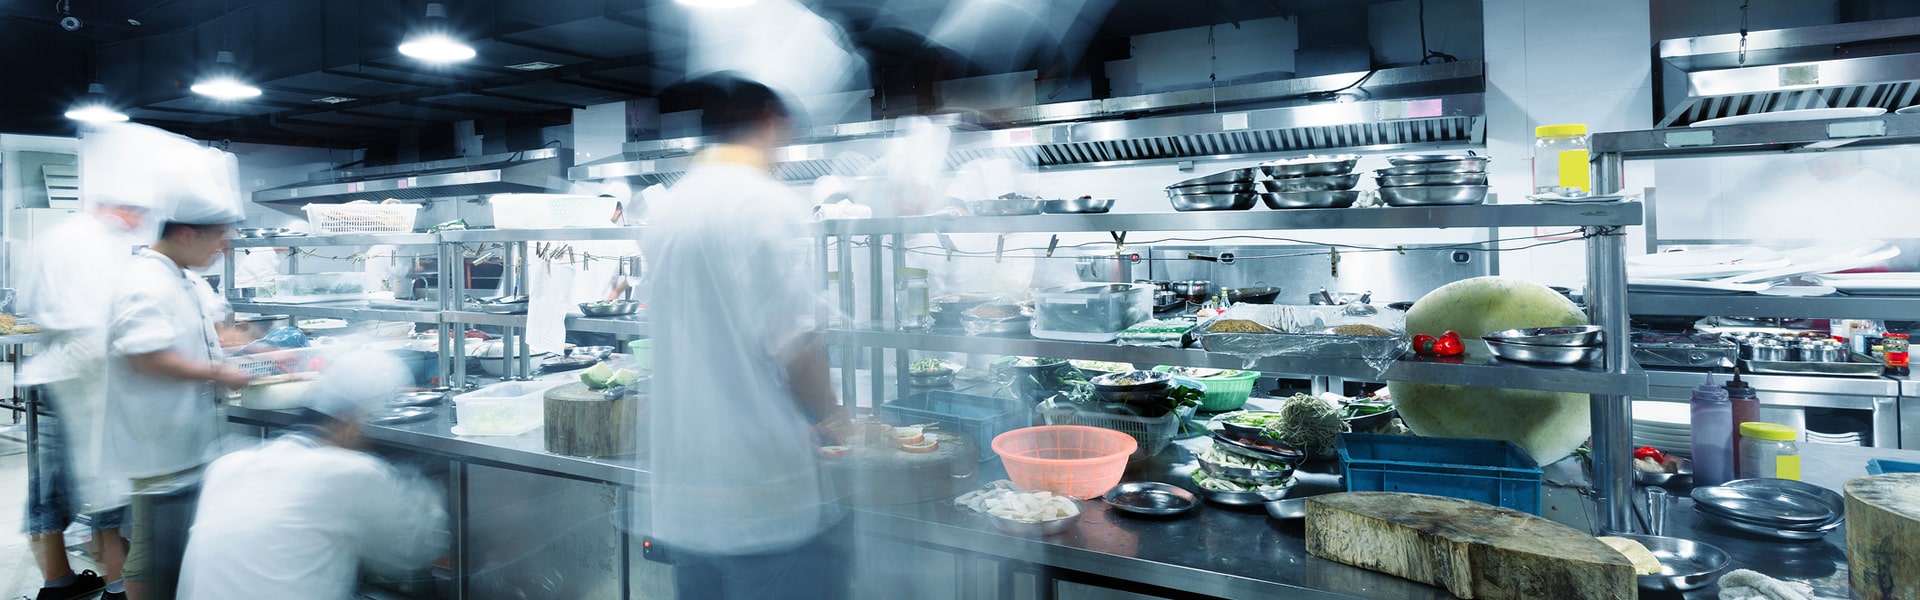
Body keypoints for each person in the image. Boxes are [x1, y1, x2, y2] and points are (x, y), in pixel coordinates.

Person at [643, 73, 848, 600]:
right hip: (760, 490)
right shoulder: (764, 202)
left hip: (685, 487)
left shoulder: (670, 208)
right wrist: (835, 418)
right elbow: (795, 342)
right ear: (769, 121)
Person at [16, 122, 189, 600]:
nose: (140, 222)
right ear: (121, 205)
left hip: (60, 373)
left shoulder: (64, 235)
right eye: (139, 212)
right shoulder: (92, 244)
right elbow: (105, 328)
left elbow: (37, 306)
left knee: (57, 486)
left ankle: (60, 583)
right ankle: (115, 585)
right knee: (104, 485)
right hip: (86, 379)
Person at [103, 142, 253, 600]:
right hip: (158, 443)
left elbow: (211, 331)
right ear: (187, 234)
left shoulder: (181, 277)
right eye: (218, 236)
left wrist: (247, 346)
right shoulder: (145, 281)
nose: (224, 246)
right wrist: (219, 373)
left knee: (176, 546)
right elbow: (146, 357)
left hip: (186, 439)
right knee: (152, 549)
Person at [176, 352, 447, 600]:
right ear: (349, 428)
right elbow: (410, 552)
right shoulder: (351, 471)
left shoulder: (228, 465)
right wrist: (430, 501)